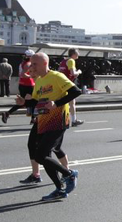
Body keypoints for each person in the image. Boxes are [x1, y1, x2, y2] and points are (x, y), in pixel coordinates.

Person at [16, 53, 83, 201]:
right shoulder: (39, 81)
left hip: (58, 120)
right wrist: (24, 103)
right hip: (42, 119)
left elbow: (76, 91)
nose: (32, 67)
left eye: (35, 64)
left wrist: (57, 103)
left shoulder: (57, 76)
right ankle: (60, 188)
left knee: (41, 155)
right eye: (31, 64)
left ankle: (69, 174)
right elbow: (36, 101)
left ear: (44, 63)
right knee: (34, 148)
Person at [1, 50, 36, 124]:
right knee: (34, 101)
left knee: (23, 102)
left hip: (22, 84)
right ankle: (33, 119)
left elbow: (20, 74)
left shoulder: (22, 63)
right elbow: (23, 74)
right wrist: (31, 76)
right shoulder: (28, 64)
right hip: (29, 85)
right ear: (30, 57)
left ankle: (7, 113)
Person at [59, 48, 83, 126]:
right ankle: (72, 120)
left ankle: (70, 120)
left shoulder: (63, 61)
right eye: (77, 53)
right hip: (68, 84)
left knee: (65, 102)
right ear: (74, 54)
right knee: (71, 103)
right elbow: (73, 73)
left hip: (61, 84)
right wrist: (79, 71)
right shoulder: (71, 61)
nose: (78, 54)